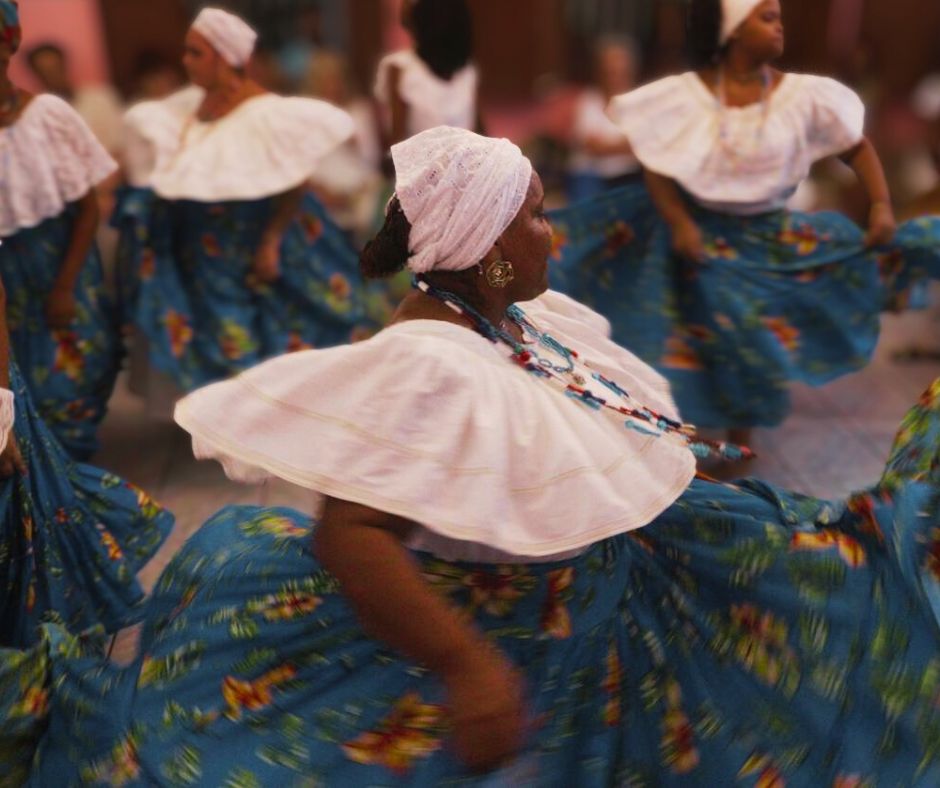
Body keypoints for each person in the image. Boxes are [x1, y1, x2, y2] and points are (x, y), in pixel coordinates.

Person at [5, 127, 940, 786]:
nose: (552, 232)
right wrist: (466, 669)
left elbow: (579, 406)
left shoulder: (508, 317)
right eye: (534, 218)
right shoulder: (431, 365)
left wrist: (683, 451)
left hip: (629, 572)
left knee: (844, 566)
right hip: (521, 621)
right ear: (485, 245)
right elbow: (353, 538)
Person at [549, 0, 940, 449]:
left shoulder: (803, 98)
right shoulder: (690, 97)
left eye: (778, 17)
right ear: (733, 33)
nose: (778, 28)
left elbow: (856, 149)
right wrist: (679, 221)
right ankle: (680, 433)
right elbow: (657, 166)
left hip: (767, 238)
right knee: (689, 337)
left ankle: (740, 435)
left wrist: (881, 207)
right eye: (766, 18)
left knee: (752, 337)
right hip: (699, 237)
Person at [115, 7, 379, 396]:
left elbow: (294, 181)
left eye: (196, 53)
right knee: (221, 350)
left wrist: (271, 241)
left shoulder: (266, 113)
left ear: (225, 57)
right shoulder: (188, 109)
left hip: (261, 244)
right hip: (205, 256)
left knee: (275, 343)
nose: (185, 62)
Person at [0, 3, 123, 459]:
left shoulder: (49, 115)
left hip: (61, 263)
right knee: (22, 387)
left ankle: (75, 480)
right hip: (7, 280)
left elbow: (87, 209)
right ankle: (56, 488)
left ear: (8, 44)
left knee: (75, 379)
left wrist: (65, 286)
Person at [375, 0, 481, 148]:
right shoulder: (467, 71)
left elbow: (395, 141)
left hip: (429, 165)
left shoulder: (402, 69)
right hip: (449, 165)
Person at [566, 35, 640, 203]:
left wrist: (610, 145)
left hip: (628, 175)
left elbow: (646, 145)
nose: (614, 75)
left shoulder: (638, 103)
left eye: (619, 70)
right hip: (590, 174)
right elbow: (593, 145)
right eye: (609, 70)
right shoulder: (588, 101)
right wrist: (627, 145)